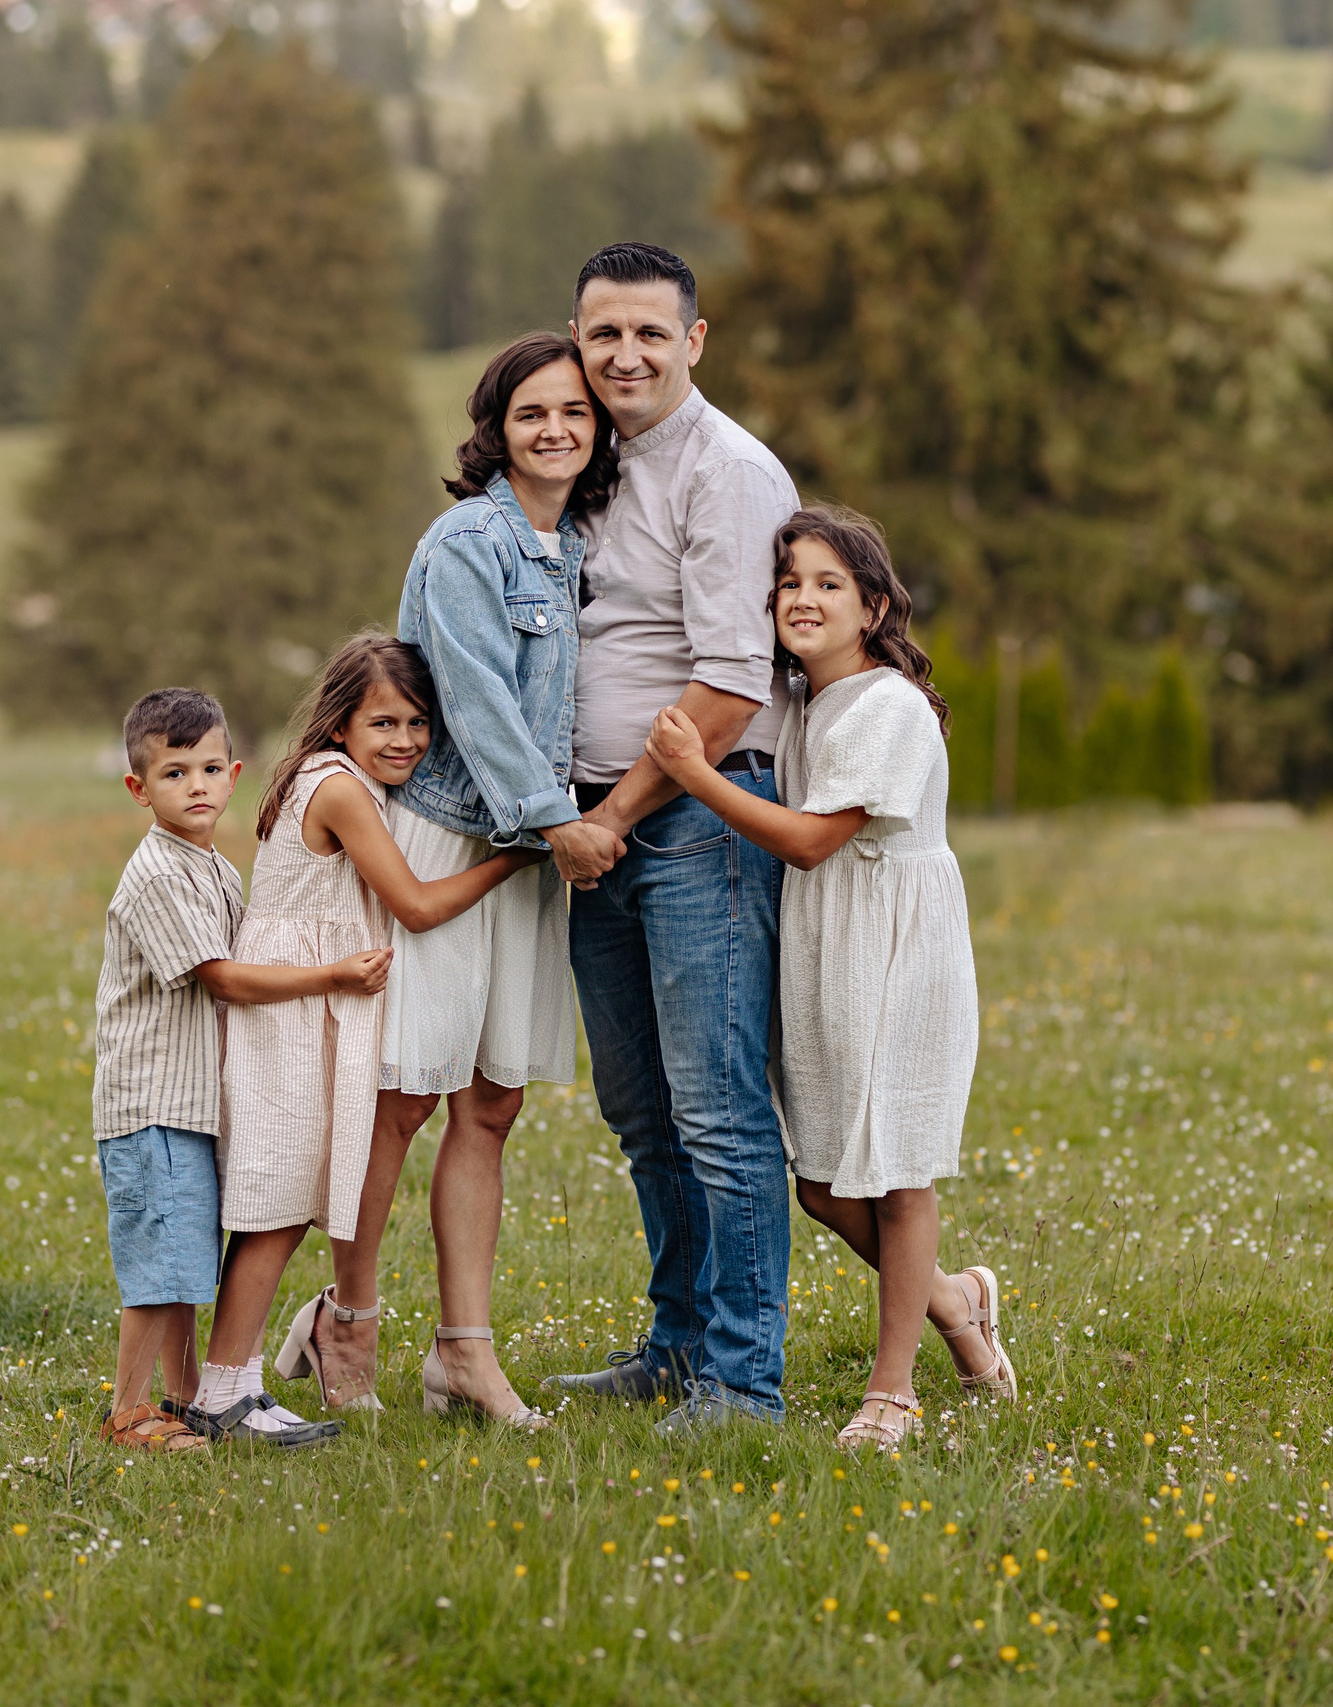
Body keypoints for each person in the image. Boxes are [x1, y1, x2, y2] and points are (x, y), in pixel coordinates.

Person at [643, 508, 1014, 1450]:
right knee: (821, 1184)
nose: (802, 599)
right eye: (789, 583)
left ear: (874, 607)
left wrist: (692, 772)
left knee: (895, 1169)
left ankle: (894, 1391)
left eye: (827, 584)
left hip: (895, 948)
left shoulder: (888, 705)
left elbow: (812, 842)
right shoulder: (806, 700)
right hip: (824, 947)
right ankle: (955, 1300)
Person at [543, 242, 802, 1436]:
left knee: (716, 1111)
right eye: (604, 333)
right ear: (578, 339)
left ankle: (743, 1383)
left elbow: (732, 685)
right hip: (594, 832)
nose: (626, 355)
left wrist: (609, 818)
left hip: (695, 824)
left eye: (651, 332)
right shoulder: (588, 461)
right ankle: (678, 1347)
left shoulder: (727, 472)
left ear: (694, 341)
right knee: (642, 1113)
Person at [179, 635, 542, 1444]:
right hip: (290, 1013)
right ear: (341, 722)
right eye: (384, 722)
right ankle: (223, 1393)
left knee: (284, 1203)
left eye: (418, 722)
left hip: (317, 1008)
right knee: (273, 1205)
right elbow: (414, 905)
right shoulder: (338, 787)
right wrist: (513, 859)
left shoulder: (349, 780)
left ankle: (235, 1383)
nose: (405, 740)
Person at [376, 332, 627, 1431]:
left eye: (575, 412)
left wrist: (559, 830)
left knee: (492, 1103)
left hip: (528, 858)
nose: (556, 429)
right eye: (533, 412)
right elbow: (473, 701)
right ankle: (344, 1319)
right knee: (402, 1097)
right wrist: (560, 822)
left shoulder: (576, 545)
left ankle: (462, 1353)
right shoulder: (466, 543)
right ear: (497, 426)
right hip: (454, 836)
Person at [88, 687, 388, 1454]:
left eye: (210, 768)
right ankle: (128, 1413)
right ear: (139, 788)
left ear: (234, 774)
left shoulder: (215, 868)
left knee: (187, 1262)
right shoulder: (158, 874)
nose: (197, 785)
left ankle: (187, 1398)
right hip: (151, 1102)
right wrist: (330, 976)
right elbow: (221, 977)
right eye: (174, 773)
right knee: (161, 1267)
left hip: (192, 1103)